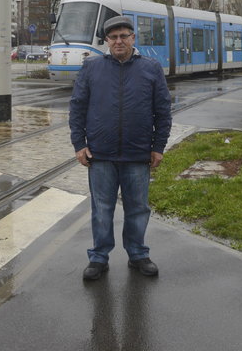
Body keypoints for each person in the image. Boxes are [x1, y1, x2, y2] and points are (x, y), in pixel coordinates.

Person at [69, 15, 172, 280]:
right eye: (113, 37)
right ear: (106, 41)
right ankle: (99, 257)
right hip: (100, 155)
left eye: (124, 36)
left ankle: (138, 253)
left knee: (137, 208)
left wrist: (158, 146)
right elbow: (77, 108)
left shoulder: (151, 68)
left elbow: (163, 111)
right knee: (101, 209)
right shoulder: (92, 67)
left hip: (138, 154)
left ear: (133, 38)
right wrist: (79, 145)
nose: (118, 41)